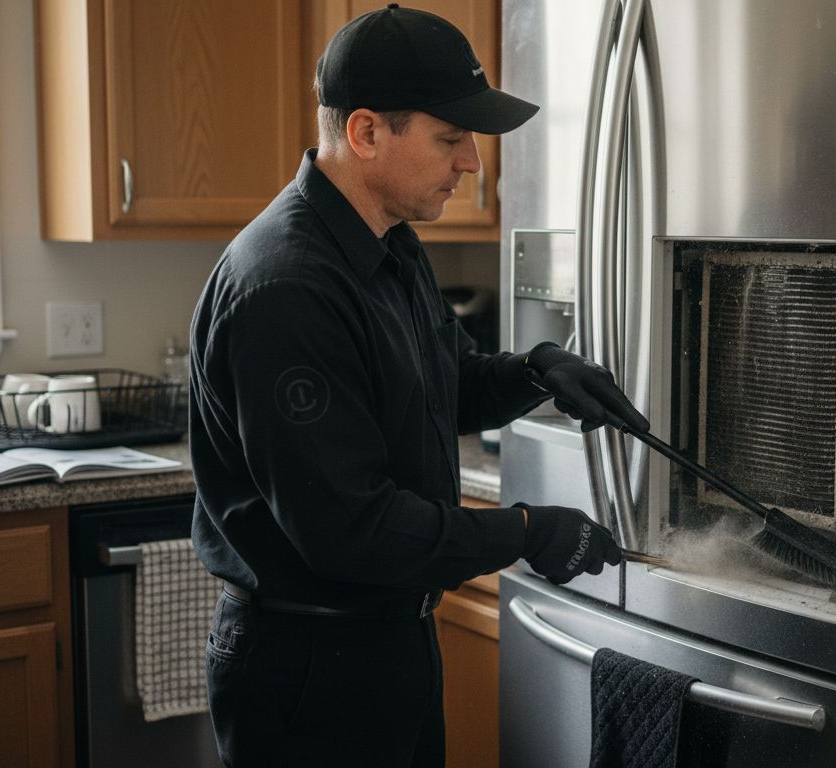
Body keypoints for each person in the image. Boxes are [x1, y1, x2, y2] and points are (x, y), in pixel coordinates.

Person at [188, 4, 650, 766]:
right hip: (309, 667)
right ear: (367, 133)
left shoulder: (388, 240)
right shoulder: (286, 289)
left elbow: (442, 384)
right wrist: (526, 532)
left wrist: (538, 370)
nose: (472, 163)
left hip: (387, 640)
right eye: (451, 138)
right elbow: (352, 530)